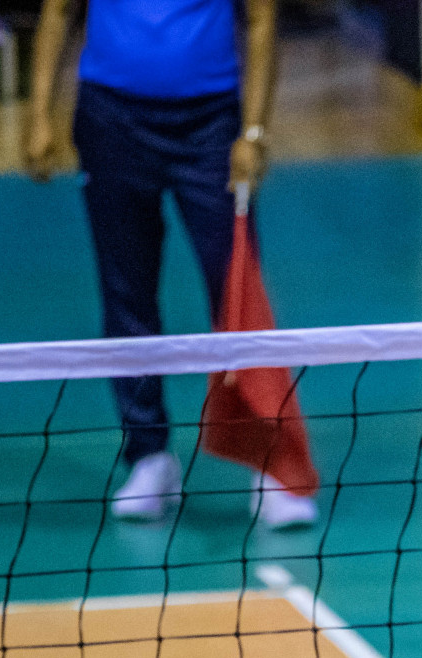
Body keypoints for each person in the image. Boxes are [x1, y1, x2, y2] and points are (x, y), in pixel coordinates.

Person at [24, 0, 316, 527]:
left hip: (211, 124)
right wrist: (39, 113)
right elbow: (57, 12)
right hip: (110, 119)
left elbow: (262, 19)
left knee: (236, 291)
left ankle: (271, 466)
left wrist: (253, 132)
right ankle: (149, 458)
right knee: (126, 292)